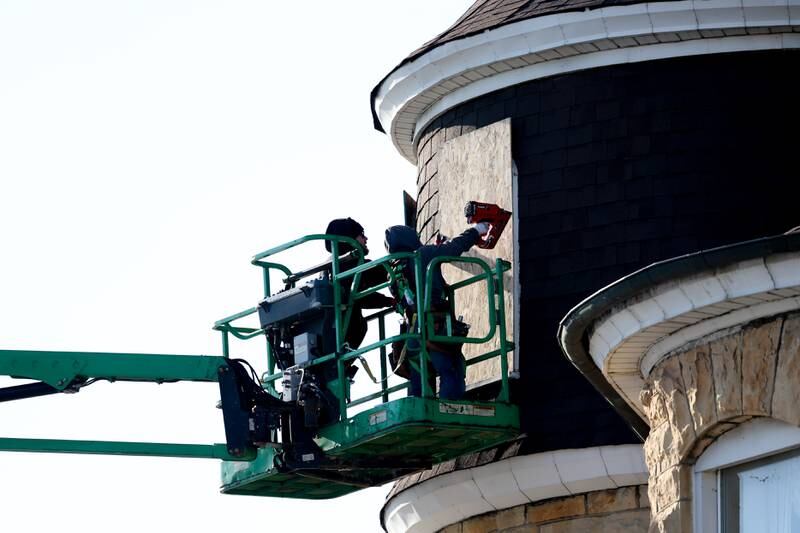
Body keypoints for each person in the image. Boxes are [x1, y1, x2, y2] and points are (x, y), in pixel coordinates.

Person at [384, 221, 490, 400]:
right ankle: (452, 408)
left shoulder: (393, 271)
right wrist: (476, 230)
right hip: (434, 327)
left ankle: (419, 415)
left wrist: (435, 251)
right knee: (451, 369)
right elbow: (454, 248)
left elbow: (417, 284)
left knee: (420, 376)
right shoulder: (423, 255)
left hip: (411, 335)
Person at [324, 217, 394, 358]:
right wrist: (390, 301)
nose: (366, 238)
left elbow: (357, 292)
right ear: (350, 239)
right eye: (361, 234)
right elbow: (361, 295)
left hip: (331, 344)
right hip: (340, 341)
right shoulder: (346, 265)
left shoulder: (331, 266)